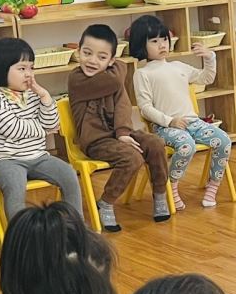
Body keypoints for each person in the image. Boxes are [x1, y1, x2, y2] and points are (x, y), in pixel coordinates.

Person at [68, 23, 171, 230]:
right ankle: (106, 202)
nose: (92, 61)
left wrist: (123, 133)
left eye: (101, 57)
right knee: (132, 158)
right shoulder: (77, 78)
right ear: (78, 52)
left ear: (111, 60)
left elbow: (123, 106)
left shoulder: (113, 76)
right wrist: (118, 67)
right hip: (95, 140)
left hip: (119, 134)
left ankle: (160, 194)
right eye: (87, 53)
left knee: (155, 143)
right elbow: (118, 75)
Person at [128, 15, 229, 210]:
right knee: (186, 146)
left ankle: (212, 188)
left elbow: (206, 78)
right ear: (142, 45)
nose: (162, 45)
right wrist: (170, 121)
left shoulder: (178, 67)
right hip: (165, 127)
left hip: (193, 123)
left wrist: (210, 58)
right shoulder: (142, 74)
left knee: (224, 140)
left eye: (164, 39)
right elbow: (145, 108)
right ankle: (172, 187)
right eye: (154, 41)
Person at [0, 37, 84, 218]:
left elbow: (52, 123)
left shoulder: (34, 94)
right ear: (2, 69)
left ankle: (76, 226)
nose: (29, 74)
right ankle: (20, 232)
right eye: (22, 69)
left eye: (31, 68)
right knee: (15, 185)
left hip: (37, 156)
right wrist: (43, 130)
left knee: (69, 174)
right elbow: (13, 130)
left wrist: (45, 97)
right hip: (4, 160)